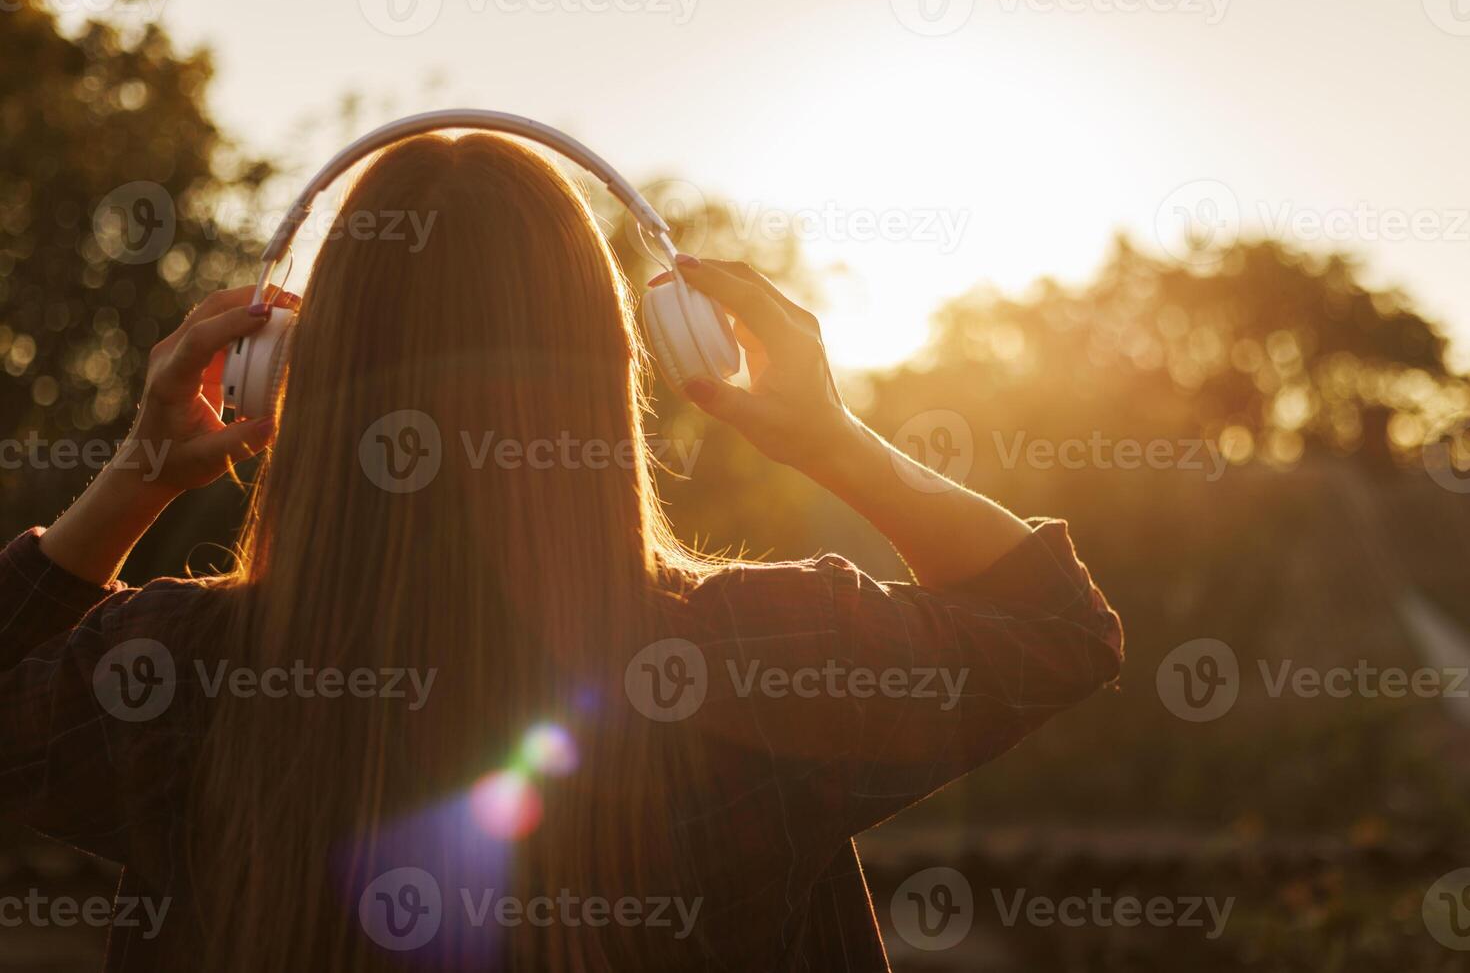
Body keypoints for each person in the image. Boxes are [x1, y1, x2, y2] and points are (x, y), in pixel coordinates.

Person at [0, 132, 1122, 971]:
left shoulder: (181, 676)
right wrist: (832, 439)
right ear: (607, 372)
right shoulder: (760, 658)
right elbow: (1052, 625)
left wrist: (142, 469)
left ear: (292, 370)